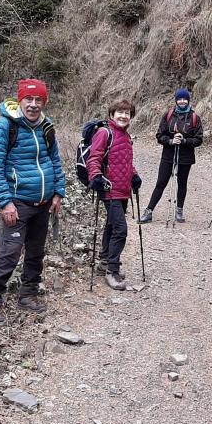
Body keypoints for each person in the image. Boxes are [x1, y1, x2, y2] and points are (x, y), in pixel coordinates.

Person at [0, 79, 65, 324]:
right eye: (29, 99)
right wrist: (5, 203)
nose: (33, 104)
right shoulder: (4, 126)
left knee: (36, 252)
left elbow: (55, 162)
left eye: (39, 100)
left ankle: (27, 294)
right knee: (9, 253)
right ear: (20, 100)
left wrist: (59, 192)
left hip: (43, 202)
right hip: (16, 203)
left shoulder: (47, 127)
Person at [87, 99, 142, 290]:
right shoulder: (104, 132)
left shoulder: (126, 136)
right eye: (120, 112)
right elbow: (94, 158)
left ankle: (104, 261)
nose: (123, 116)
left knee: (111, 226)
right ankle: (112, 270)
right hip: (109, 189)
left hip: (123, 190)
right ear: (112, 114)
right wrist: (96, 176)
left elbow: (125, 162)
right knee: (121, 230)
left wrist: (134, 175)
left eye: (127, 113)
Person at [139, 88, 203, 224]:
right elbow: (159, 135)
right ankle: (149, 211)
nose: (182, 101)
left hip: (186, 157)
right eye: (179, 99)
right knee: (161, 183)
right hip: (168, 155)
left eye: (184, 99)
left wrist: (184, 141)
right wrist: (170, 141)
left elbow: (199, 139)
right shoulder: (168, 115)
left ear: (188, 100)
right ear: (176, 100)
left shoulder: (194, 118)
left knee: (182, 183)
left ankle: (179, 210)